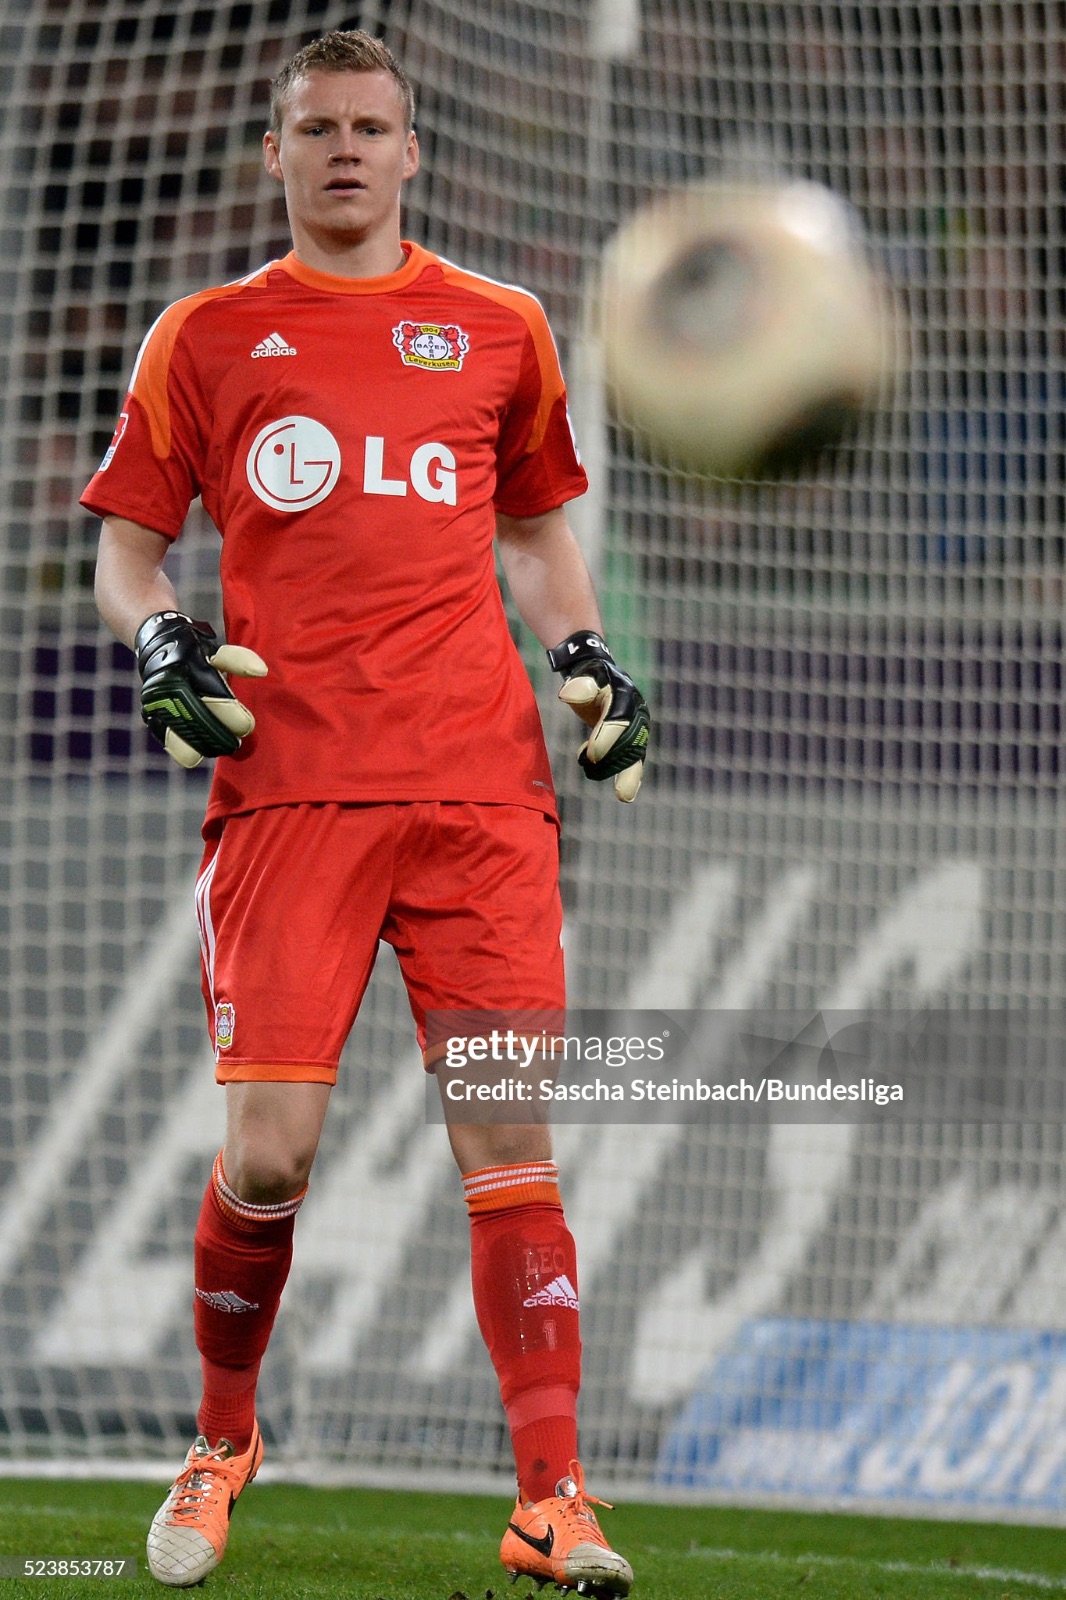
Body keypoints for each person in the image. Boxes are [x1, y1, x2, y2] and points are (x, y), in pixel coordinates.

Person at [84, 28, 649, 1598]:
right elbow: (127, 551)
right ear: (275, 156)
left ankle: (554, 1500)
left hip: (478, 791)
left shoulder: (501, 328)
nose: (345, 148)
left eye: (372, 126)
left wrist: (586, 653)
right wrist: (160, 639)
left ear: (413, 154)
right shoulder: (203, 337)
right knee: (268, 1156)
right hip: (291, 794)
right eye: (317, 127)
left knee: (510, 1143)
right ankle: (219, 1438)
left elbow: (537, 537)